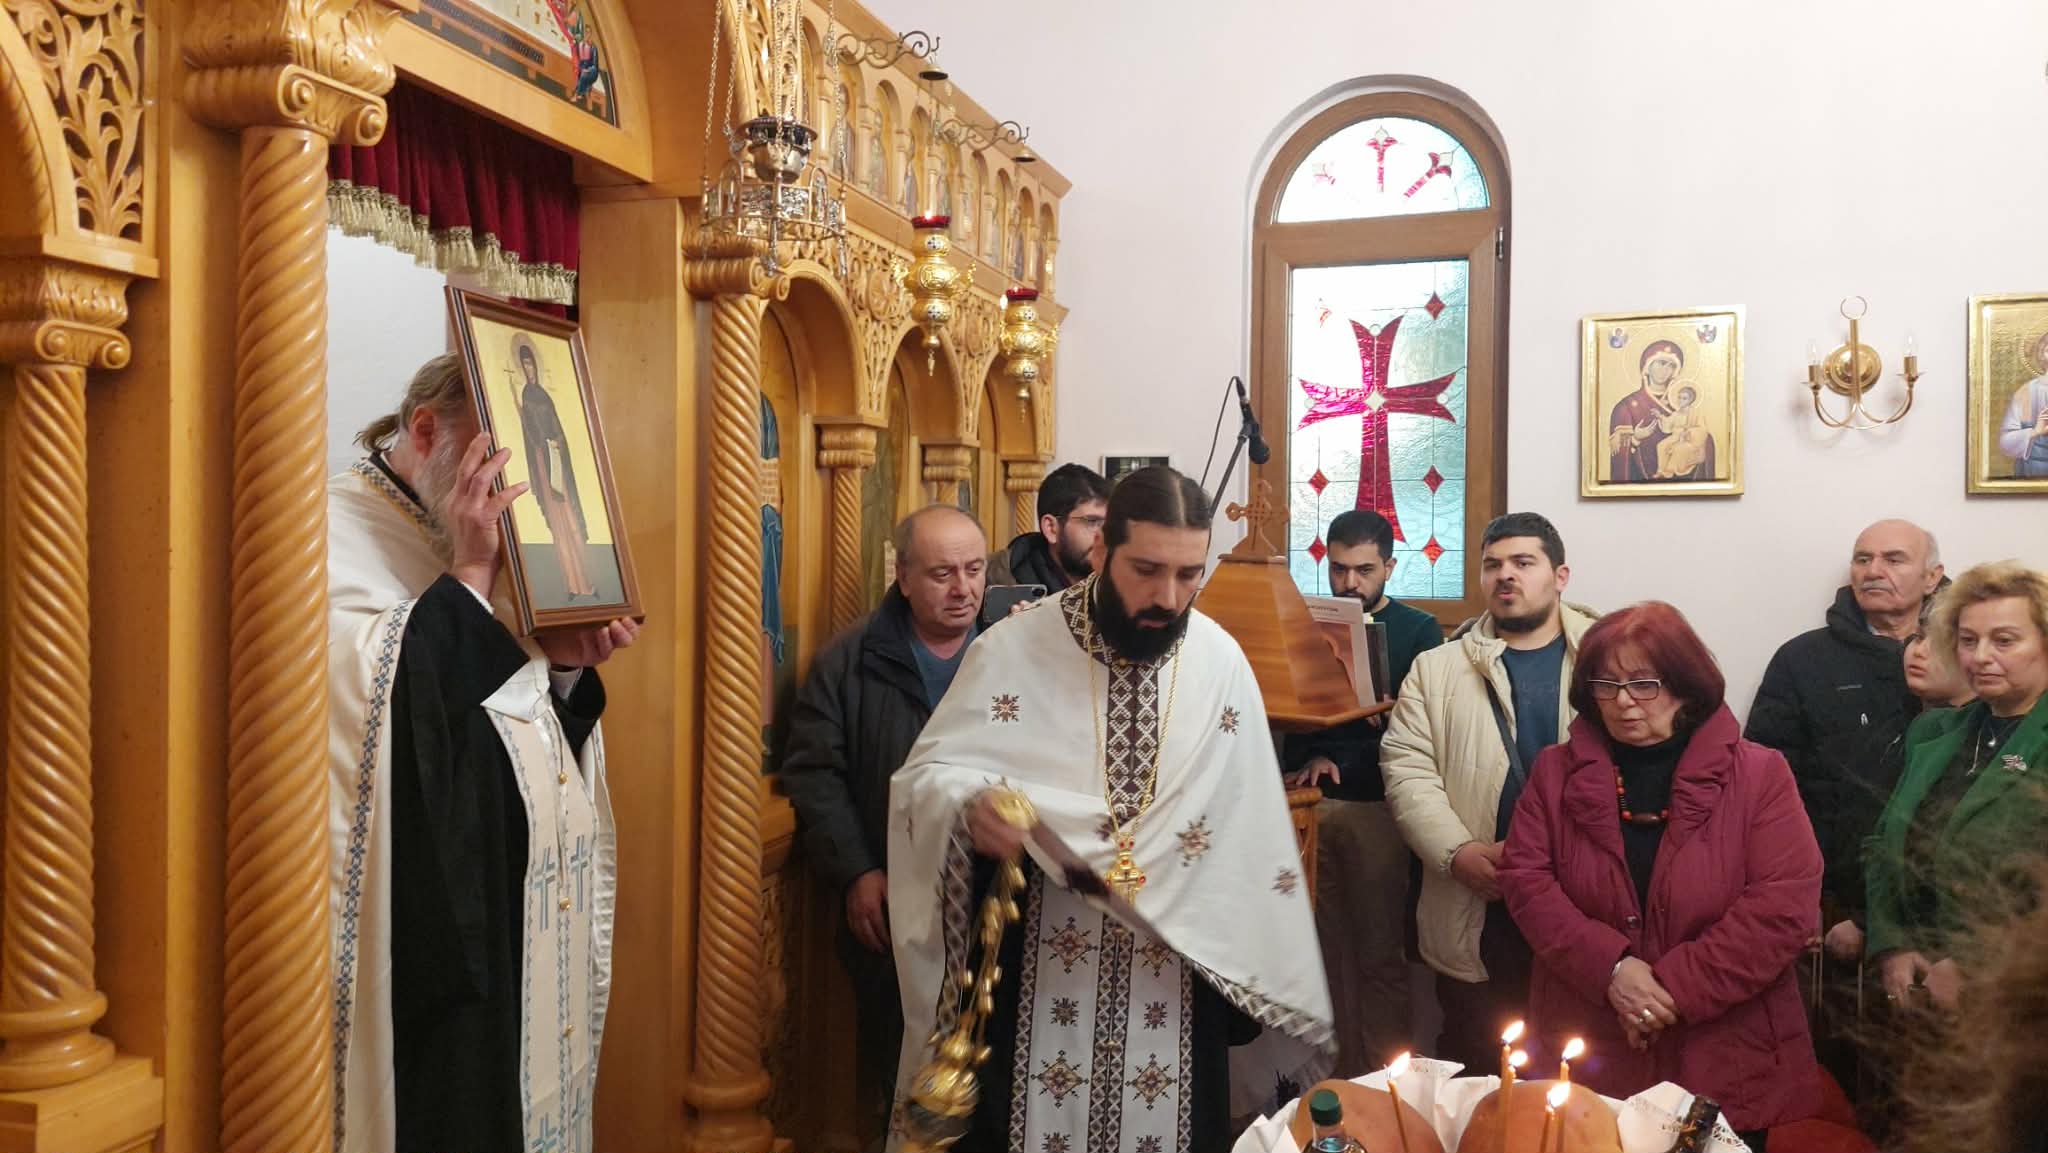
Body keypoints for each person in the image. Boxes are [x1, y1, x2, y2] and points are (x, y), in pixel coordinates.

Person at [887, 466, 1331, 1152]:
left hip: (1177, 978)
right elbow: (927, 779)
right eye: (1146, 570)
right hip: (1039, 969)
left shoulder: (1220, 664)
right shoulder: (1013, 649)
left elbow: (1249, 831)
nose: (1168, 597)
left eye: (1188, 574)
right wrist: (972, 805)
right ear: (1099, 551)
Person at [327, 354, 637, 1152]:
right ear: (426, 430)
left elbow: (510, 729)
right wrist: (468, 575)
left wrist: (563, 669)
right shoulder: (332, 532)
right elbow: (365, 718)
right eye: (493, 461)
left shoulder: (457, 534)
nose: (510, 492)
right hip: (423, 933)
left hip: (508, 912)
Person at [1499, 601, 1824, 1150]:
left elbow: (1782, 906)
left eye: (1644, 684)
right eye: (1606, 685)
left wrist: (1665, 991)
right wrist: (1612, 969)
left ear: (1687, 686)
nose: (1623, 702)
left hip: (1726, 1050)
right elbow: (1526, 880)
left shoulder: (1761, 773)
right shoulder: (1555, 771)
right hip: (1591, 1037)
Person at [774, 505, 988, 1149]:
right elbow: (814, 771)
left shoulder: (1012, 652)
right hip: (895, 905)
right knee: (902, 1065)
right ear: (904, 576)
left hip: (995, 902)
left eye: (975, 570)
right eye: (943, 574)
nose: (963, 589)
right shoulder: (850, 660)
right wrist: (856, 870)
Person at [1382, 511, 1600, 1071]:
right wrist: (1457, 853)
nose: (1506, 575)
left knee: (1577, 1066)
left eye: (1524, 562)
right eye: (1493, 565)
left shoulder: (1606, 658)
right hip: (1477, 897)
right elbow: (1407, 767)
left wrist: (1558, 855)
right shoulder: (1435, 669)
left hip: (1580, 899)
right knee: (1479, 1060)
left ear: (1560, 575)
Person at [1282, 509, 1443, 1074]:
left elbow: (1418, 734)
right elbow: (1289, 712)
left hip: (1378, 806)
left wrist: (1351, 746)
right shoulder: (1304, 623)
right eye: (1339, 569)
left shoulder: (1418, 630)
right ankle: (1338, 1076)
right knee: (1323, 955)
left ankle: (1388, 1082)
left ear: (1389, 568)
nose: (1349, 583)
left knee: (1379, 956)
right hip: (1311, 803)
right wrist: (1311, 756)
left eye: (1364, 570)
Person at [1747, 519, 1946, 958]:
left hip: (1946, 909)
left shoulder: (1971, 656)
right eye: (1862, 559)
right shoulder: (1803, 660)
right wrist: (1797, 895)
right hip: (1828, 902)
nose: (1873, 571)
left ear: (1932, 577)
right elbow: (1764, 788)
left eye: (1894, 559)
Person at [1866, 561, 2048, 1016]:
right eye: (1968, 640)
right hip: (1916, 994)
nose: (1980, 656)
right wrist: (1891, 943)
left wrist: (1974, 963)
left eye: (2004, 640)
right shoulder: (1933, 730)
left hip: (2020, 1000)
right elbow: (1882, 845)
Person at [513, 333, 598, 600]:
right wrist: (539, 440)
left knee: (570, 516)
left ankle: (589, 583)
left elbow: (557, 425)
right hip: (543, 459)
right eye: (525, 365)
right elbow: (529, 431)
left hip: (557, 456)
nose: (529, 370)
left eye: (531, 365)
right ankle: (572, 585)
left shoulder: (544, 395)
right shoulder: (527, 395)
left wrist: (558, 443)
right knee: (558, 522)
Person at [986, 461, 1110, 591]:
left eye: (1109, 523)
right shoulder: (998, 583)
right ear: (1051, 528)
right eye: (1092, 522)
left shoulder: (1117, 582)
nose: (1105, 535)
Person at [1607, 340, 1712, 483]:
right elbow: (1618, 458)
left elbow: (1705, 437)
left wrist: (1692, 436)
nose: (1666, 370)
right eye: (1662, 363)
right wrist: (1635, 438)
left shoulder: (1682, 405)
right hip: (1640, 483)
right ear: (1647, 366)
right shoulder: (1626, 407)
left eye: (1672, 366)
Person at [1996, 332, 2048, 479]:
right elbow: (2005, 442)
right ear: (2042, 354)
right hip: (2033, 472)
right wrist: (2035, 431)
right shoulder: (2026, 392)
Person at [1654, 384, 1710, 478]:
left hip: (1690, 440)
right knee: (1661, 445)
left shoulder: (1696, 413)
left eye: (1684, 398)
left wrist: (1689, 432)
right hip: (1675, 437)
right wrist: (1660, 416)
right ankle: (1661, 471)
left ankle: (1669, 472)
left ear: (1691, 400)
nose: (1681, 400)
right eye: (1679, 398)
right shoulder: (1676, 413)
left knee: (1679, 449)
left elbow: (1702, 430)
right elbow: (1668, 424)